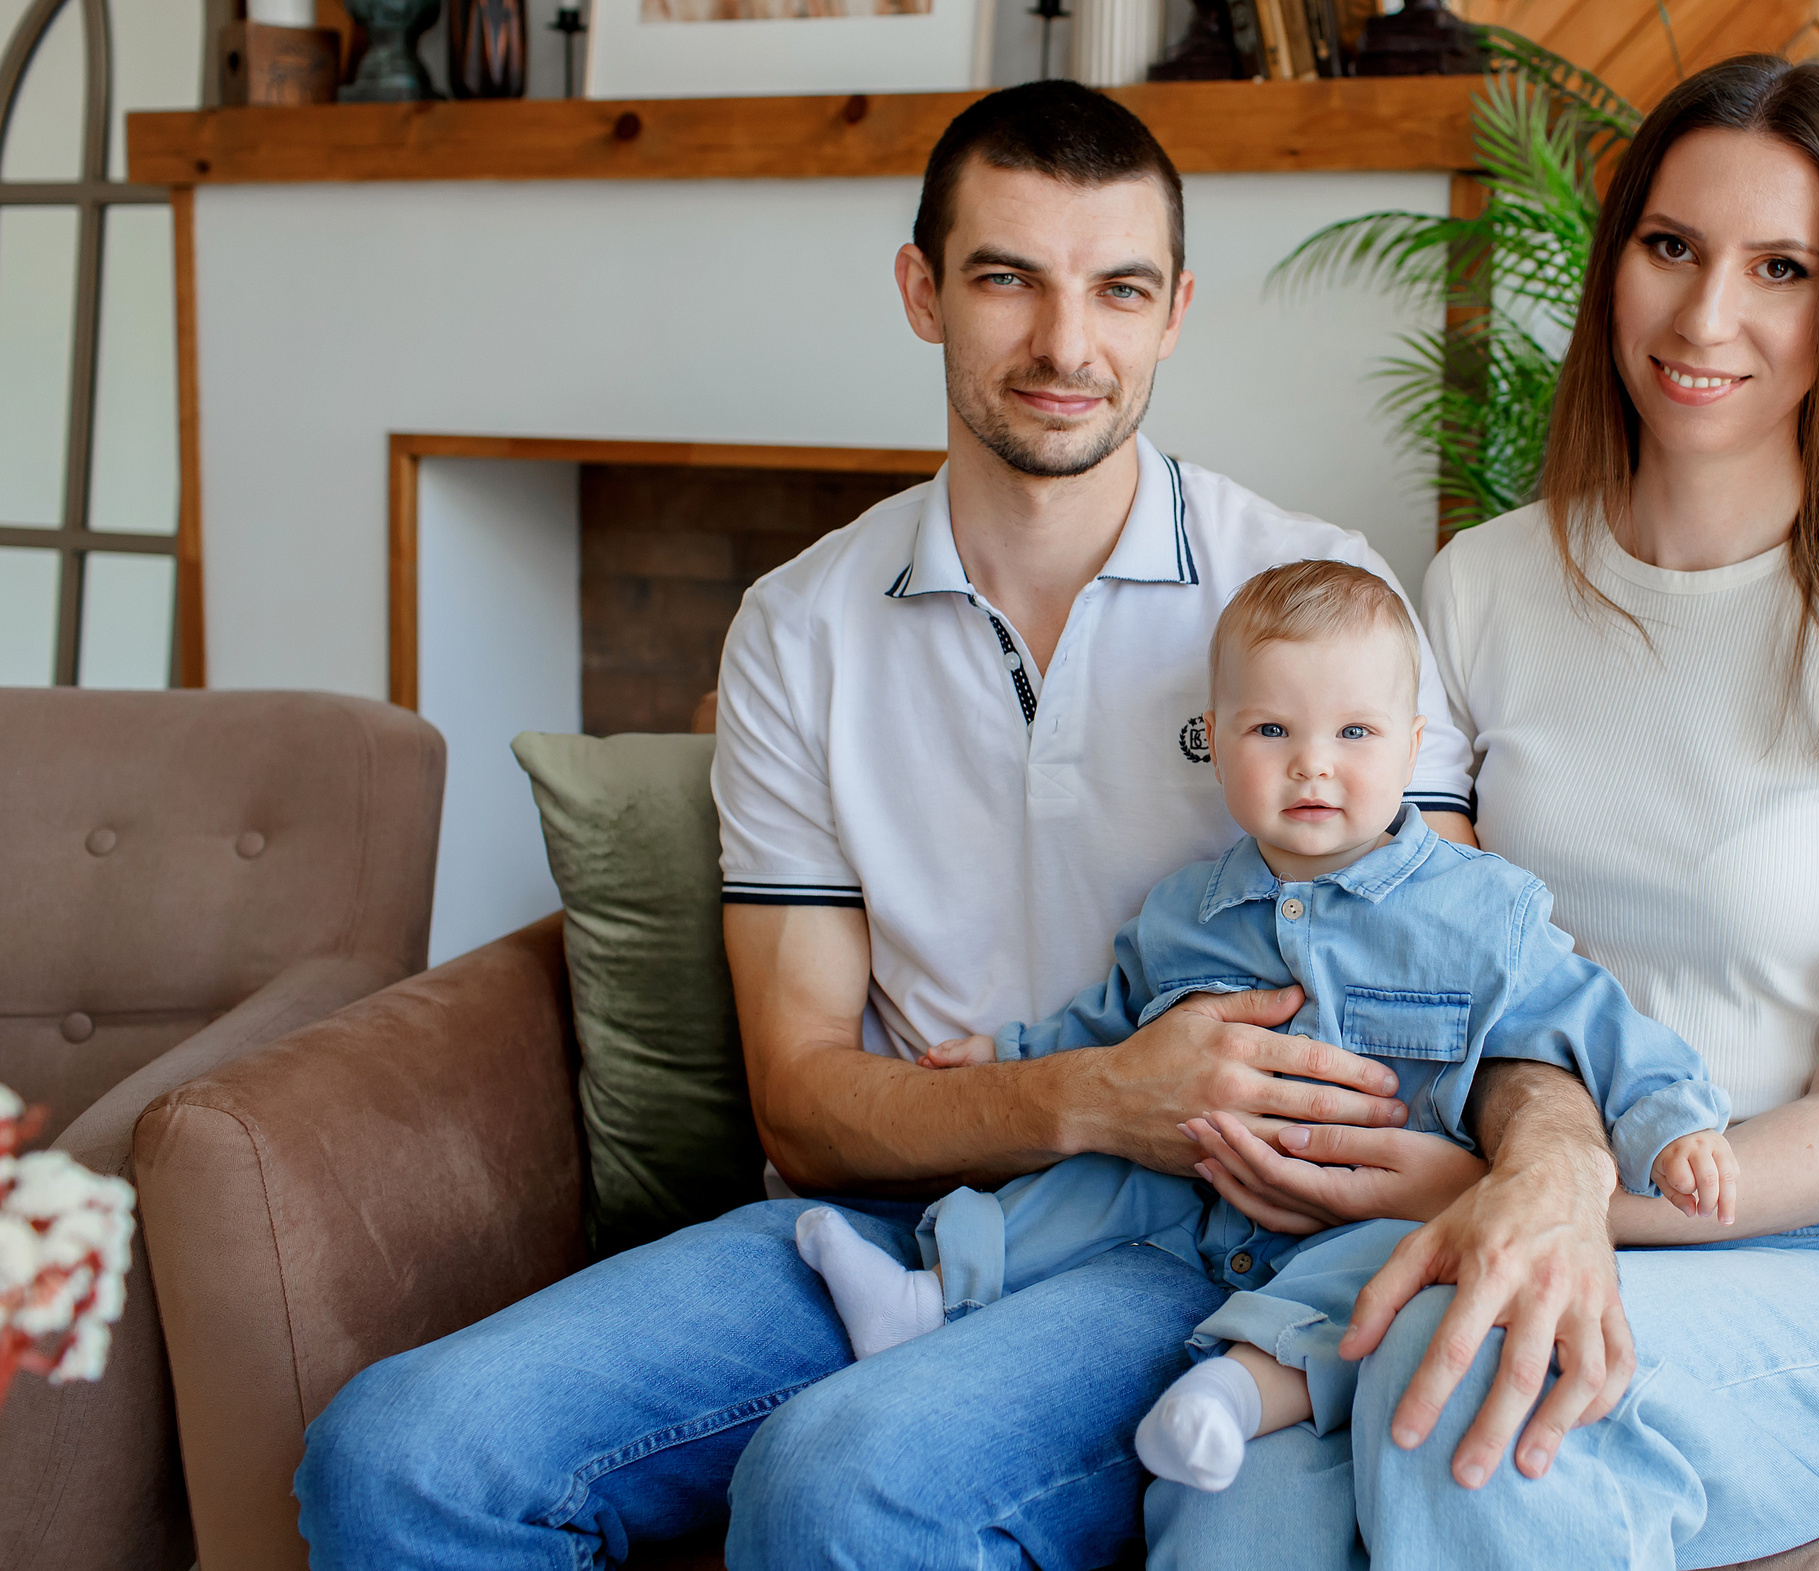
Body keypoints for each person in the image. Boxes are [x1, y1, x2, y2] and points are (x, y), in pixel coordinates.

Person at [291, 80, 1628, 1571]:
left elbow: (1475, 964)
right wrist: (1097, 1089)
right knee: (395, 1457)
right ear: (924, 290)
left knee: (840, 1482)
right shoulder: (799, 625)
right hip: (879, 1224)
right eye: (1009, 278)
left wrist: (1555, 1157)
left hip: (1193, 1239)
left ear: (1176, 308)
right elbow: (803, 1100)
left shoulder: (1316, 596)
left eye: (1118, 287)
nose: (1068, 345)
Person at [1144, 54, 1819, 1569]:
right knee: (1227, 1489)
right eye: (1672, 247)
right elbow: (1424, 951)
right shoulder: (1483, 584)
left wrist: (1559, 1203)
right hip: (1480, 1191)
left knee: (1482, 1396)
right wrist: (1496, 1175)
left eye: (1781, 268)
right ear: (1616, 258)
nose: (1706, 318)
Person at [790, 558, 1740, 1494]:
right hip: (1201, 1185)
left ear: (1413, 749)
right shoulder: (1182, 911)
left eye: (1355, 732)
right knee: (1096, 1172)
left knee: (1391, 1276)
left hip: (1370, 1202)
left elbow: (1592, 1019)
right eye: (1273, 728)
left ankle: (1234, 1395)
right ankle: (929, 1295)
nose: (1313, 762)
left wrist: (1674, 1125)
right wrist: (1008, 1052)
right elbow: (1110, 1026)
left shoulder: (1479, 912)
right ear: (1215, 738)